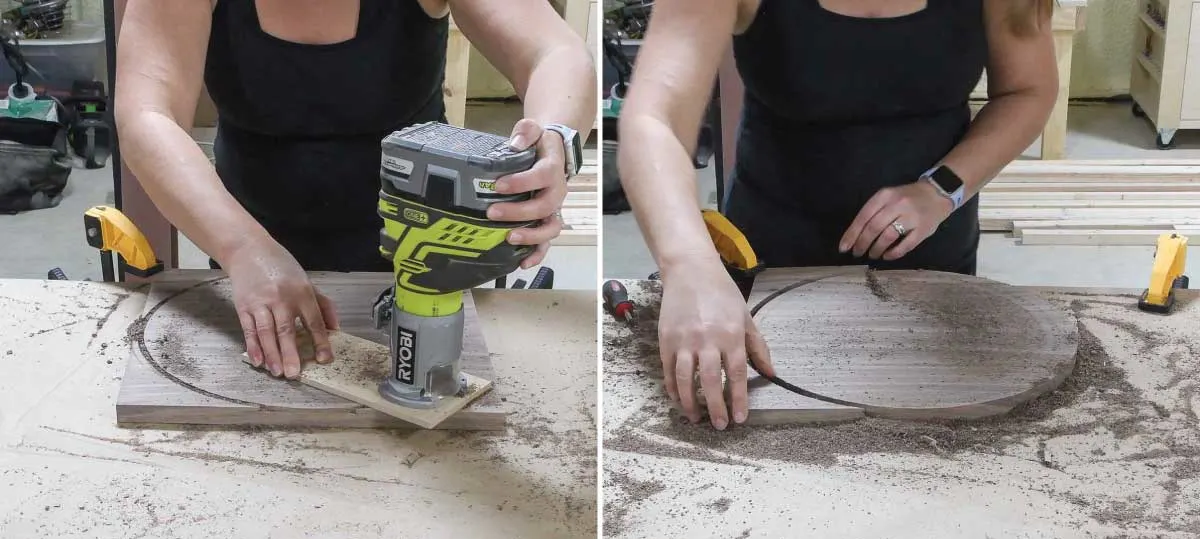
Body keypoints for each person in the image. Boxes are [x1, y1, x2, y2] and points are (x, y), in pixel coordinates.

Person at [618, 0, 1057, 430]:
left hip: (931, 255)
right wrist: (689, 265)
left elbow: (1027, 89)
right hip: (771, 250)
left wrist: (941, 189)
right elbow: (656, 119)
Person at [115, 0, 596, 380]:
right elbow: (145, 115)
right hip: (251, 244)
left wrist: (553, 140)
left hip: (429, 254)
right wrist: (243, 249)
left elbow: (554, 53)